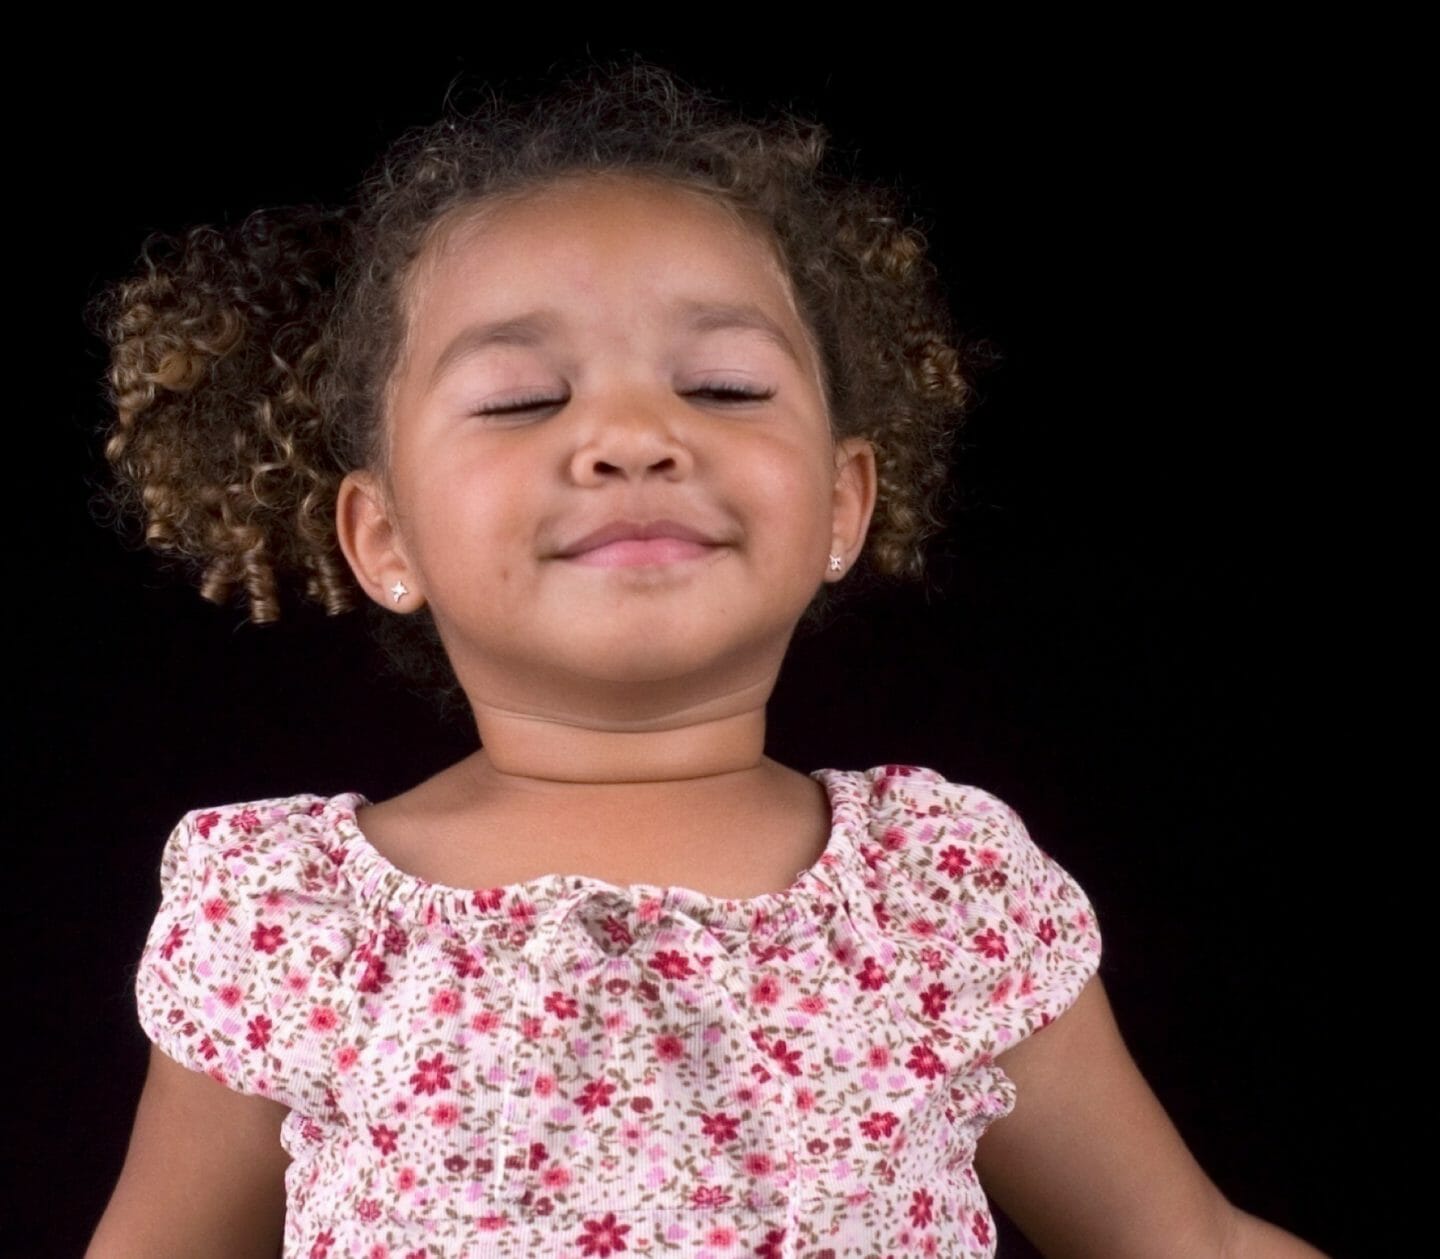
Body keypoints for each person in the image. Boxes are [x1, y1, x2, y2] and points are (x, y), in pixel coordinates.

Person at [85, 63, 1325, 1259]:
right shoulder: (288, 922)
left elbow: (1183, 1237)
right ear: (385, 535)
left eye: (725, 385)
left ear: (842, 504)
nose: (633, 436)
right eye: (523, 398)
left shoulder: (941, 897)